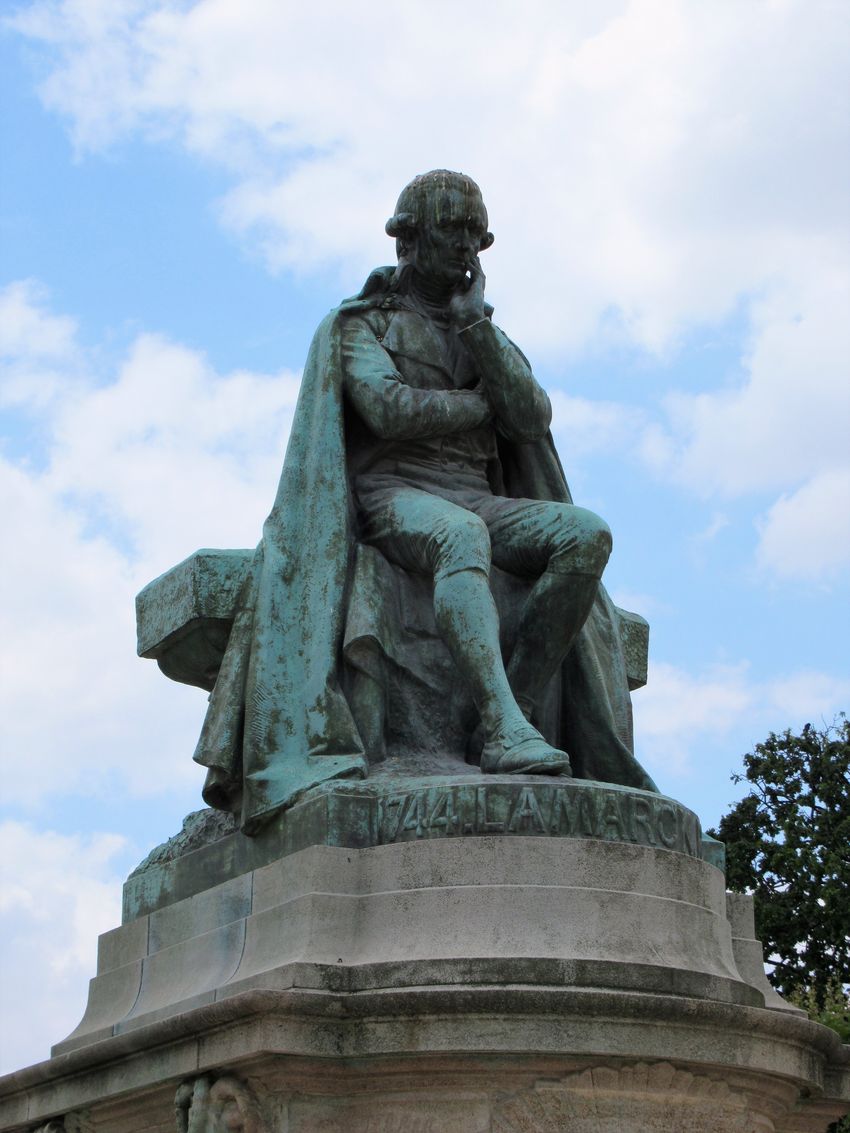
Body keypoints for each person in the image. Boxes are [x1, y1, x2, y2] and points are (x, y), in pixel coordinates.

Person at [194, 170, 656, 834]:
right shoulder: (361, 325)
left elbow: (530, 417)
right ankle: (497, 718)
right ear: (408, 238)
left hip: (474, 495)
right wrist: (478, 407)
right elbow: (387, 409)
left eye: (477, 233)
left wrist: (480, 334)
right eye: (452, 229)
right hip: (392, 496)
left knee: (585, 535)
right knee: (460, 535)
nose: (467, 247)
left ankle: (511, 713)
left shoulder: (484, 334)